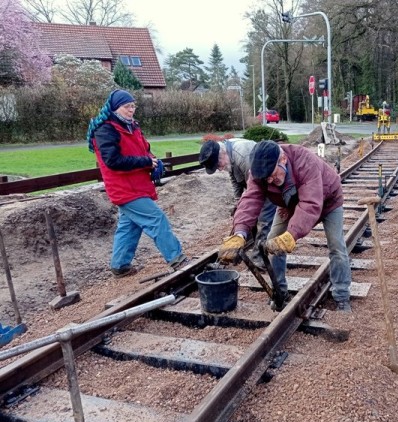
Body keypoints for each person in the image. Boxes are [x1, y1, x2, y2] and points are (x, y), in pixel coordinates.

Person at [218, 140, 352, 312]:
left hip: (328, 201)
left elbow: (311, 204)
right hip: (289, 203)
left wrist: (292, 234)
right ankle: (280, 293)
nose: (271, 180)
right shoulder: (261, 173)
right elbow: (250, 200)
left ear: (282, 159)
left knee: (337, 247)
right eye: (267, 179)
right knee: (273, 243)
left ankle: (341, 295)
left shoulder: (304, 161)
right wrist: (240, 233)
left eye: (273, 175)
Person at [86, 89, 188, 277]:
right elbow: (112, 161)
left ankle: (120, 266)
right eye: (127, 107)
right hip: (124, 188)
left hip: (138, 185)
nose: (131, 110)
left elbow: (143, 149)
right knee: (157, 219)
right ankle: (178, 260)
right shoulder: (105, 130)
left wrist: (153, 161)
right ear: (116, 108)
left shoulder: (132, 126)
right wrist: (145, 162)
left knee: (129, 226)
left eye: (133, 106)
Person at [199, 138, 276, 269]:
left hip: (269, 184)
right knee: (244, 214)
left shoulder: (242, 155)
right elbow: (235, 179)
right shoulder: (228, 156)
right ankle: (247, 240)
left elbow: (256, 189)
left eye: (218, 165)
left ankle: (259, 259)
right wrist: (238, 203)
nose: (219, 169)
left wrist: (245, 208)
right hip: (257, 184)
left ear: (222, 154)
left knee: (264, 219)